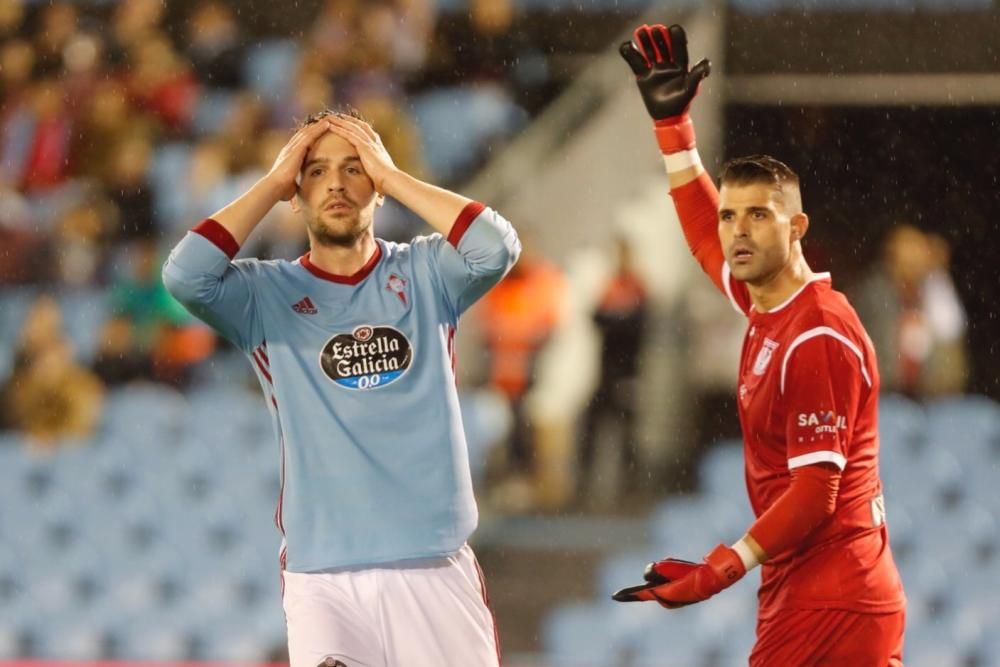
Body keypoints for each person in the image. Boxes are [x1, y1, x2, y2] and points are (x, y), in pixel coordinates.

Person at [162, 108, 518, 667]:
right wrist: (272, 181)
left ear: (376, 188)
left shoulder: (428, 273)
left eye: (355, 169)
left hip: (433, 569)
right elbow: (185, 276)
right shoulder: (264, 295)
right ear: (296, 194)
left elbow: (495, 247)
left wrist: (394, 176)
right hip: (323, 579)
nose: (335, 184)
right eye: (316, 171)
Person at [611, 24, 906, 665]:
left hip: (834, 598)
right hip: (809, 590)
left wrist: (721, 568)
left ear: (798, 227)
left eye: (759, 215)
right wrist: (674, 132)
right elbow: (699, 234)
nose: (736, 231)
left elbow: (816, 491)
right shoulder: (769, 307)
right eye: (730, 214)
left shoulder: (816, 334)